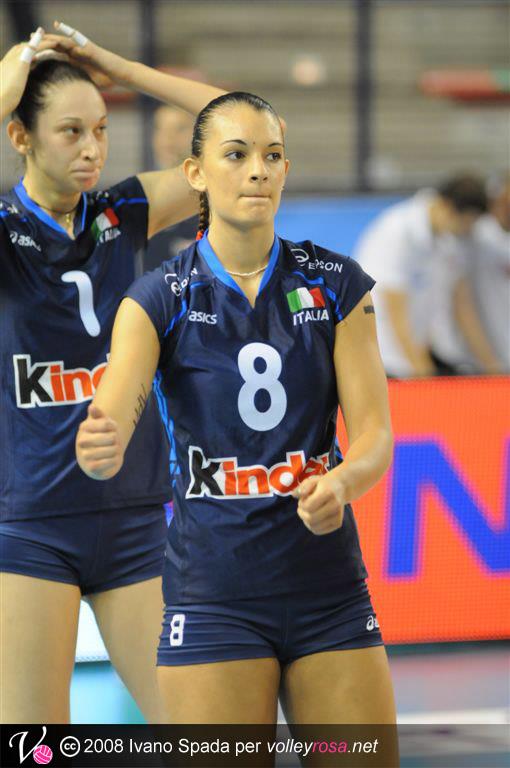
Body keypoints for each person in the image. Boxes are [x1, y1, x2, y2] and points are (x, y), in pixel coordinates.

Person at [76, 91, 397, 743]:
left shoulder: (338, 284)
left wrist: (342, 482)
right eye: (237, 155)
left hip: (329, 594)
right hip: (213, 600)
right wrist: (101, 439)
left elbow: (375, 436)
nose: (258, 170)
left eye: (272, 156)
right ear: (195, 174)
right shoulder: (157, 297)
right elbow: (116, 405)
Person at [0, 22, 224, 724]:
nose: (92, 148)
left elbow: (246, 129)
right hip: (30, 527)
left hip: (134, 520)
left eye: (100, 129)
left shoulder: (122, 213)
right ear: (20, 136)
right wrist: (9, 79)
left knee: (202, 736)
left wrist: (119, 67)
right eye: (71, 132)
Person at [354, 175, 499, 378]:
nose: (467, 230)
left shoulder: (450, 239)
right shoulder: (397, 232)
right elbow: (394, 309)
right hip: (386, 356)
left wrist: (491, 365)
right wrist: (421, 370)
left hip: (422, 350)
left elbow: (462, 303)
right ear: (447, 207)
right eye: (466, 223)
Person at [143, 104, 198, 271]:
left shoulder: (218, 198)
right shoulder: (139, 197)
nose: (169, 139)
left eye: (179, 129)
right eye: (161, 130)